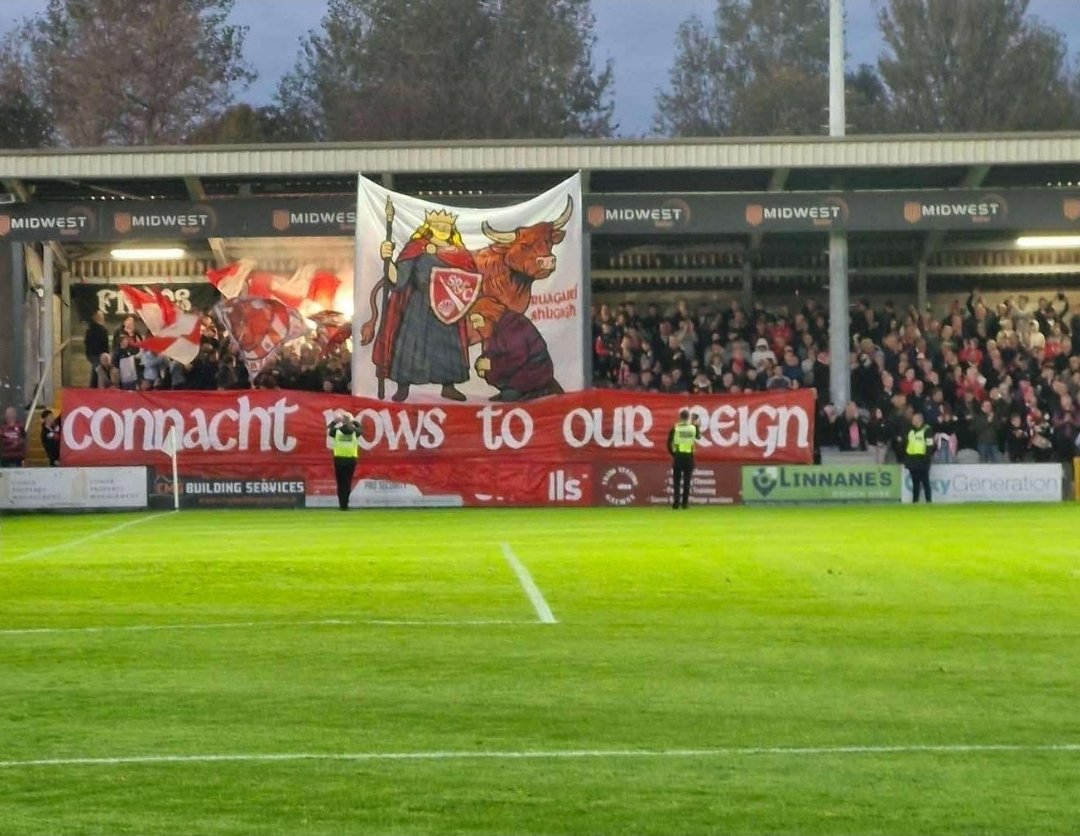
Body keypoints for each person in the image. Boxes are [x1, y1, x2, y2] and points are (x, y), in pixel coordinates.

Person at [374, 208, 474, 403]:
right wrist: (387, 259)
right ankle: (403, 386)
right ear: (428, 228)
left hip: (446, 306)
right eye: (438, 225)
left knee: (447, 347)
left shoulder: (460, 254)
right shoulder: (416, 247)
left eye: (446, 226)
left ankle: (448, 386)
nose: (442, 229)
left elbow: (468, 281)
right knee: (412, 344)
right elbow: (399, 279)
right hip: (418, 304)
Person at [327, 410, 362, 511]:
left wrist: (334, 422)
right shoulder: (355, 432)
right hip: (351, 460)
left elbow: (329, 430)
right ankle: (345, 504)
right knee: (347, 482)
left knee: (340, 483)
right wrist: (353, 420)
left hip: (339, 460)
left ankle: (341, 504)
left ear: (342, 422)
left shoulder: (336, 432)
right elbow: (361, 429)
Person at [667, 407, 700, 510]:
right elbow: (698, 437)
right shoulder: (693, 428)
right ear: (688, 417)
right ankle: (684, 504)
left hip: (678, 456)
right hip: (689, 456)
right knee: (687, 480)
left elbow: (668, 442)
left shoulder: (675, 428)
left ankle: (676, 502)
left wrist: (673, 453)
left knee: (676, 481)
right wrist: (696, 425)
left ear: (680, 417)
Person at [904, 411, 933, 504]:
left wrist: (926, 458)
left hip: (922, 459)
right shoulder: (911, 430)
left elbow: (929, 445)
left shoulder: (927, 430)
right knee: (915, 483)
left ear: (919, 419)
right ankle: (915, 501)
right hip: (912, 459)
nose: (912, 420)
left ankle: (929, 501)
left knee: (925, 482)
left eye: (914, 418)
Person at [84, 311, 110, 387]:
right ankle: (97, 389)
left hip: (91, 354)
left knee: (96, 371)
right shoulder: (103, 330)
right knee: (100, 373)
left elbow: (86, 342)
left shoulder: (89, 330)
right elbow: (105, 344)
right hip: (100, 355)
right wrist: (106, 355)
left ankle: (93, 388)